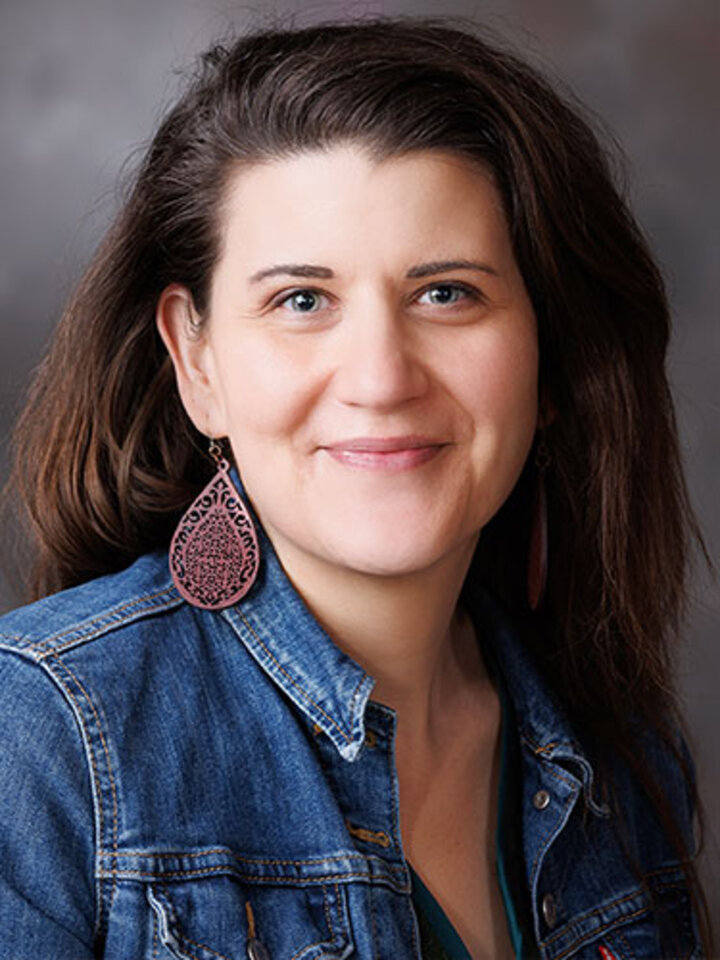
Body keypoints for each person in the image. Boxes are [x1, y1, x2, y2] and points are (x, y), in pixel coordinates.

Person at [0, 15, 711, 959]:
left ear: (552, 359)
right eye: (302, 301)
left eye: (446, 292)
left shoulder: (623, 758)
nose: (380, 377)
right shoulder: (39, 738)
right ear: (198, 362)